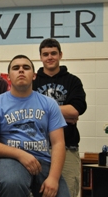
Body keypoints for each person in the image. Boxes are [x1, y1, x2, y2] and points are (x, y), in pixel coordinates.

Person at [0, 55, 70, 197]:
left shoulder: (49, 104)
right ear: (8, 76)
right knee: (12, 182)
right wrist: (21, 154)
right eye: (16, 68)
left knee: (60, 194)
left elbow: (58, 143)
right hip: (9, 160)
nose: (21, 71)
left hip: (43, 161)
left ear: (33, 76)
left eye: (26, 68)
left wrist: (53, 178)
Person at [33, 38, 87, 197]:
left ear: (60, 55)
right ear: (41, 57)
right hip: (37, 149)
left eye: (53, 53)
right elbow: (27, 111)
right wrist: (64, 114)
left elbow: (75, 111)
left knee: (68, 192)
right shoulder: (33, 82)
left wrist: (42, 110)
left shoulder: (73, 81)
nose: (50, 57)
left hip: (68, 148)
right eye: (45, 54)